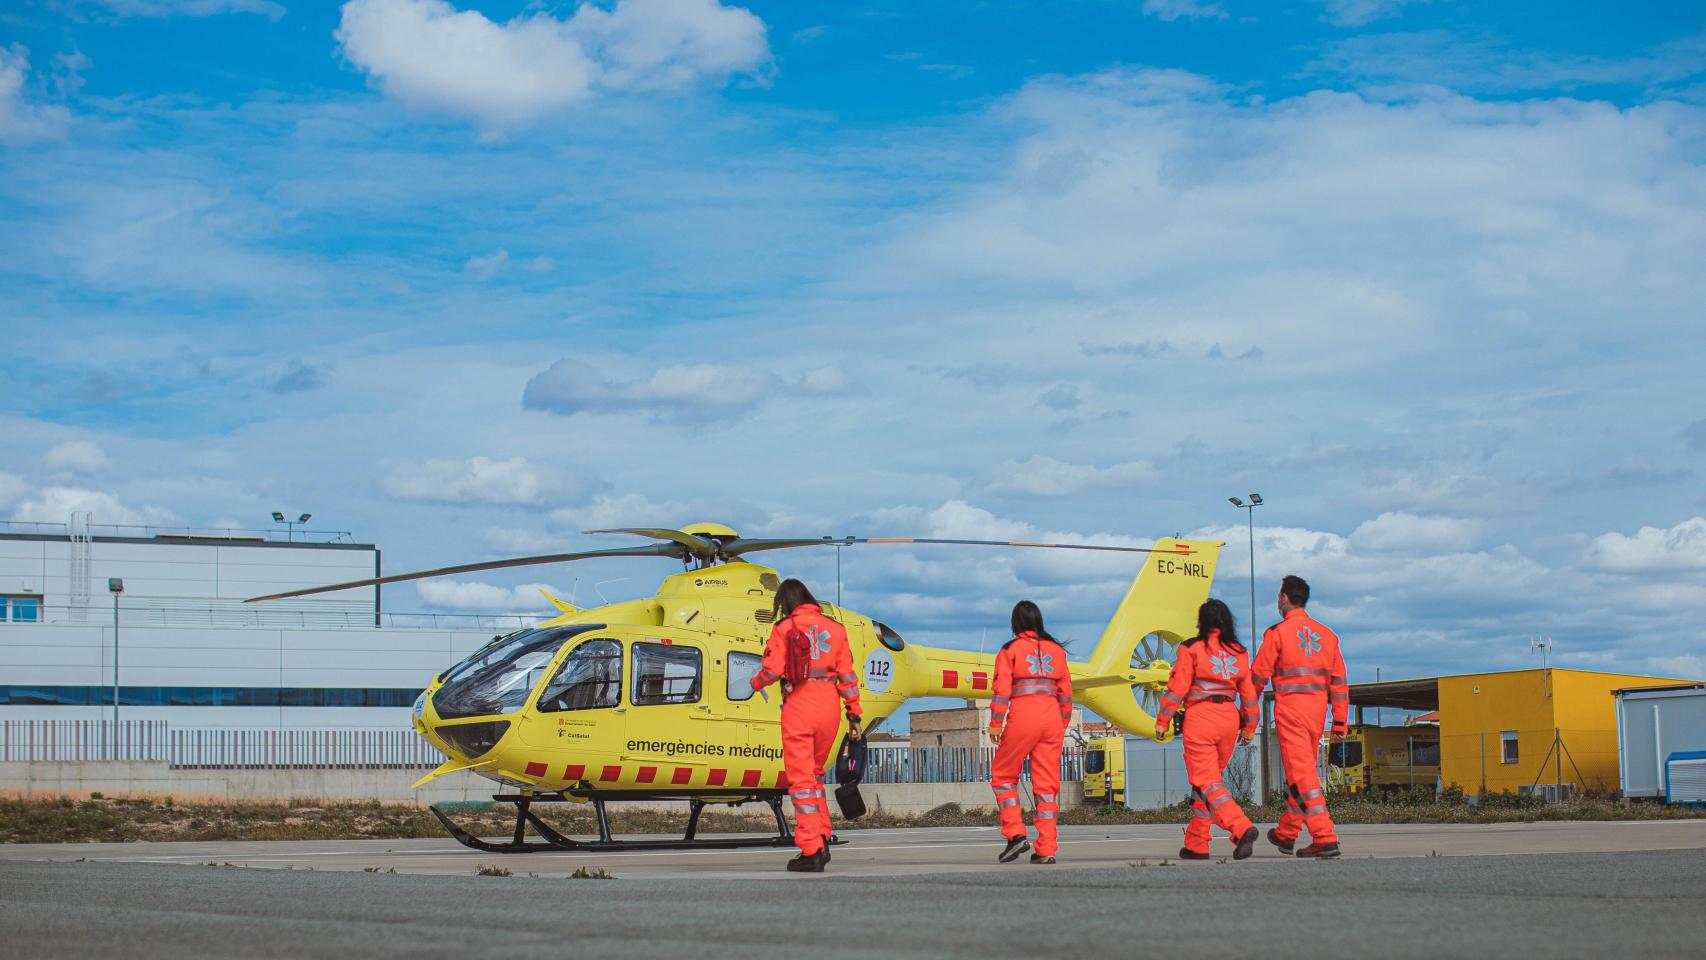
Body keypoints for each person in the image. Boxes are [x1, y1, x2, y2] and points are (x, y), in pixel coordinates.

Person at [752, 579, 862, 873]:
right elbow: (848, 677)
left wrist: (754, 683)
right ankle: (822, 836)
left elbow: (772, 670)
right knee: (815, 776)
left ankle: (811, 850)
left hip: (800, 705)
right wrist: (854, 714)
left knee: (800, 782)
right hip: (829, 706)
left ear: (785, 603)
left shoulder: (784, 628)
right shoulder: (836, 630)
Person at [1152, 598, 1261, 860]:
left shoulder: (1192, 648)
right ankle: (1197, 843)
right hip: (1229, 718)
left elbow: (1177, 687)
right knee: (1207, 787)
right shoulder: (1239, 651)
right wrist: (1249, 727)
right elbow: (1248, 695)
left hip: (1201, 717)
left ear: (1201, 622)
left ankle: (1240, 827)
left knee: (1207, 782)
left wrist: (1162, 720)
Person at [1251, 574, 1349, 858]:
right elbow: (1339, 684)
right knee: (1301, 773)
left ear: (1283, 598)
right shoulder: (1329, 636)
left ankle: (1324, 835)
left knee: (1303, 776)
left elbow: (1256, 678)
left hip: (1291, 711)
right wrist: (1340, 721)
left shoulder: (1277, 634)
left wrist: (1246, 715)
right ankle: (1286, 833)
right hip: (1318, 713)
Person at [988, 600, 1074, 864]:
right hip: (1052, 719)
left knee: (1003, 776)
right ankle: (1047, 849)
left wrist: (995, 723)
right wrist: (1062, 723)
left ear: (1015, 623)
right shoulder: (1056, 651)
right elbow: (1067, 692)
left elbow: (1002, 690)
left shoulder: (1010, 650)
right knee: (1047, 787)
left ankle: (1015, 834)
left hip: (1024, 715)